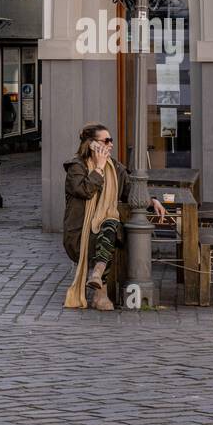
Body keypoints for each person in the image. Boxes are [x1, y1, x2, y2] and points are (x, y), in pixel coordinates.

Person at [63, 123, 167, 311]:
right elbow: (85, 191)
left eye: (111, 140)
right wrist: (99, 168)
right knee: (109, 230)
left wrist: (152, 201)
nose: (111, 144)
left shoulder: (116, 168)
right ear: (92, 144)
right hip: (80, 234)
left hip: (105, 230)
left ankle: (97, 275)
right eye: (106, 140)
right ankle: (100, 294)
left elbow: (130, 191)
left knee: (109, 225)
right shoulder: (76, 168)